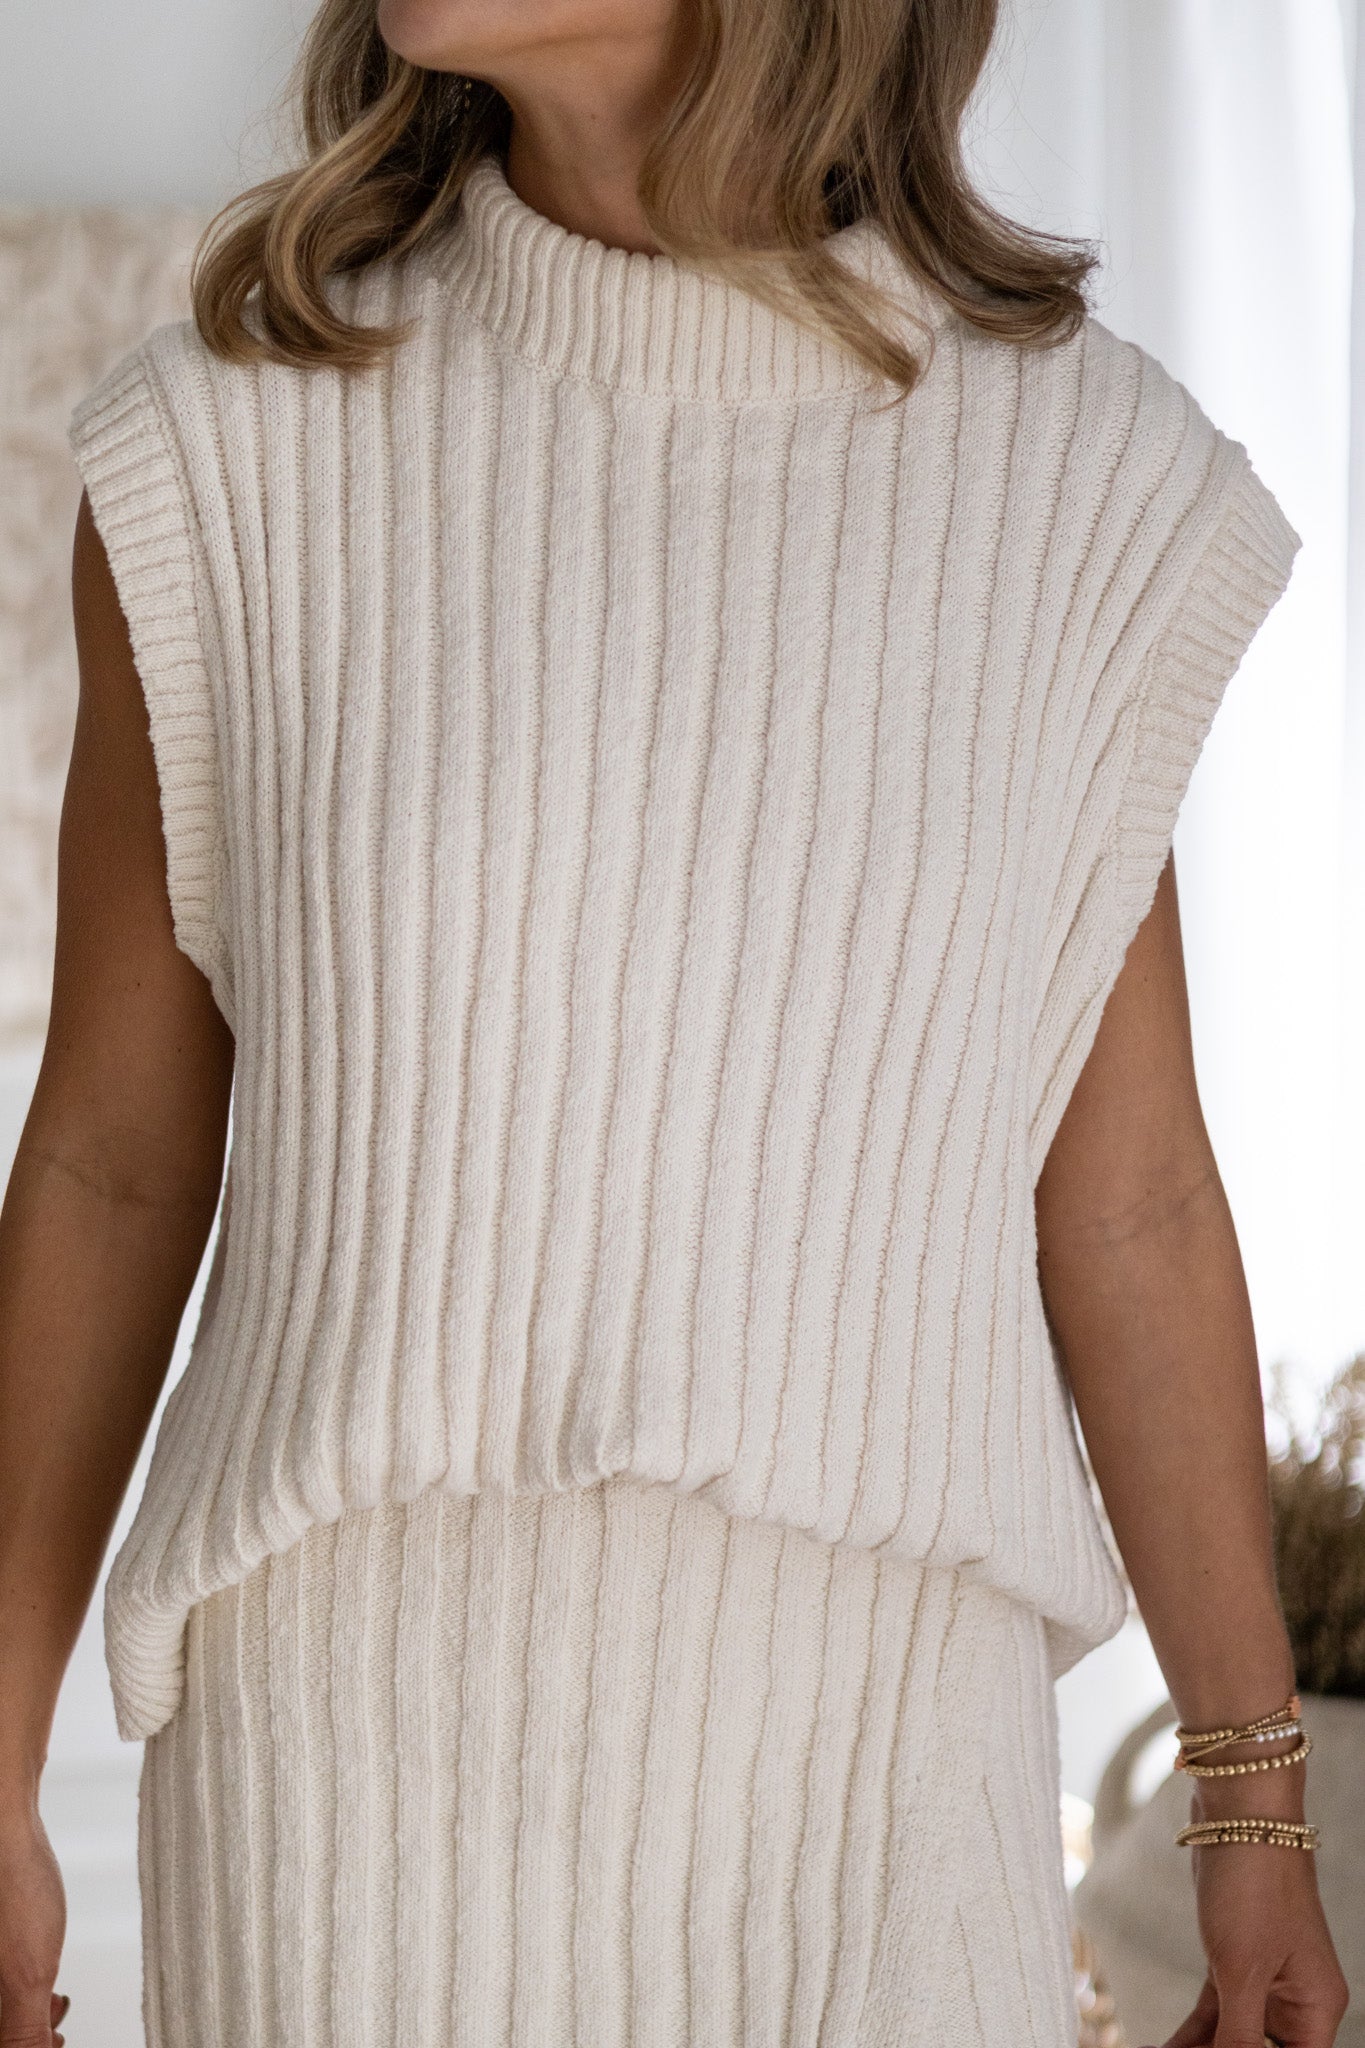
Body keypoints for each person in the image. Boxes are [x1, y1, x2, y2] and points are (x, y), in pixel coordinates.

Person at [0, 0, 1351, 2042]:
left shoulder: (1078, 484)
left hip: (881, 1778)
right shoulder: (230, 447)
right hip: (342, 1774)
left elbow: (1127, 1195)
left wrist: (1250, 1810)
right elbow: (110, 1157)